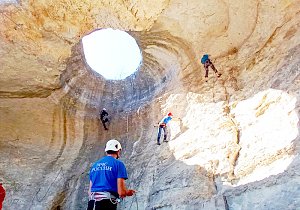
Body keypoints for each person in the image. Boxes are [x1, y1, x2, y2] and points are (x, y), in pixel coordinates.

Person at [87, 139, 135, 210]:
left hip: (92, 203)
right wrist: (128, 192)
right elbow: (121, 192)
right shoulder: (118, 164)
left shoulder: (95, 165)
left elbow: (90, 191)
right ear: (118, 151)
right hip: (107, 203)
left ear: (106, 151)